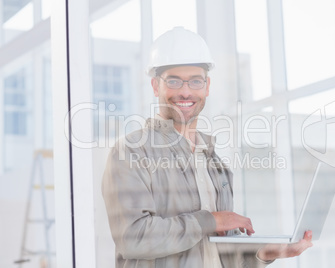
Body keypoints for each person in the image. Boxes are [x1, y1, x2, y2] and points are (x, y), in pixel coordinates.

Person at [102, 27, 313, 268]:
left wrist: (264, 252)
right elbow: (134, 238)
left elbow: (216, 251)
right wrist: (210, 220)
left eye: (195, 81)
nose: (185, 91)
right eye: (173, 80)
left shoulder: (215, 163)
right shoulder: (130, 152)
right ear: (154, 85)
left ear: (207, 86)